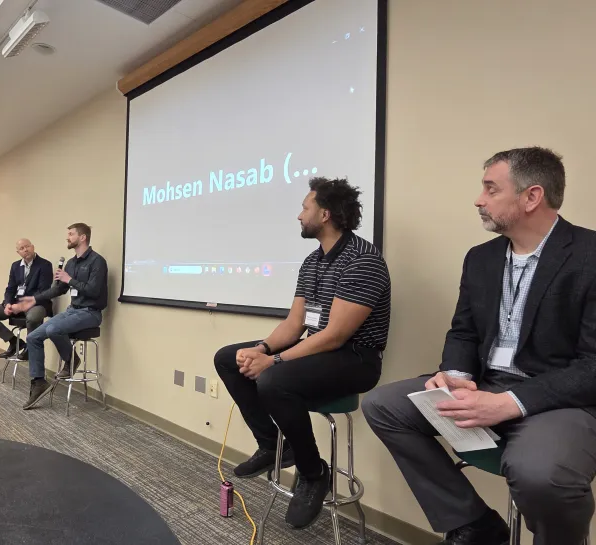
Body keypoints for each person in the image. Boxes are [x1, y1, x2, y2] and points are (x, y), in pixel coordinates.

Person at [363, 147, 596, 545]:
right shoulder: (481, 259)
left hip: (559, 401)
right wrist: (455, 374)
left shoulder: (589, 255)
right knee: (383, 405)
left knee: (541, 475)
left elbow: (591, 365)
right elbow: (464, 332)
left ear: (531, 196)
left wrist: (510, 402)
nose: (478, 199)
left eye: (490, 189)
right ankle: (474, 523)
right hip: (486, 384)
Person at [214, 177, 391, 529]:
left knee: (274, 380)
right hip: (318, 347)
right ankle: (272, 445)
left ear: (324, 214)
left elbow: (335, 336)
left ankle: (314, 473)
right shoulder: (313, 261)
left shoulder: (363, 260)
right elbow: (295, 324)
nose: (299, 215)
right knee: (228, 358)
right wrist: (261, 349)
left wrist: (274, 361)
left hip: (355, 358)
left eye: (304, 208)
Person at [11, 223, 108, 410]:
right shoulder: (71, 263)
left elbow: (94, 291)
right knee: (33, 336)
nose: (68, 237)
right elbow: (58, 290)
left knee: (54, 329)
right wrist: (33, 300)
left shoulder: (97, 261)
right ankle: (38, 382)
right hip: (73, 311)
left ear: (83, 237)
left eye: (71, 234)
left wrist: (68, 279)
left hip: (90, 313)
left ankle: (72, 360)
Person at [0, 239, 53, 360]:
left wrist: (23, 306)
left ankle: (30, 348)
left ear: (33, 247)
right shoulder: (15, 266)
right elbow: (10, 289)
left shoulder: (45, 265)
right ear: (18, 252)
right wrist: (7, 304)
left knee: (33, 317)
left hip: (37, 304)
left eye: (27, 246)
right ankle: (14, 342)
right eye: (22, 248)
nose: (25, 250)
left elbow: (43, 291)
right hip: (16, 303)